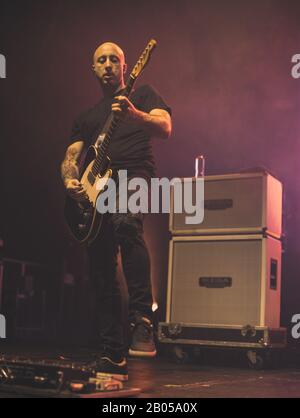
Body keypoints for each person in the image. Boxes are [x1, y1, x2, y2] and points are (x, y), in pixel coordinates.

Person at [61, 42, 172, 381]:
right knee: (99, 268)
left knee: (127, 223)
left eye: (114, 59)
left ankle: (142, 320)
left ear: (126, 66)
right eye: (101, 60)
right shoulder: (86, 117)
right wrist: (69, 180)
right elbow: (71, 157)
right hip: (96, 191)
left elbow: (166, 127)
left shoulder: (144, 94)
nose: (108, 64)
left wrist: (135, 115)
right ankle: (112, 353)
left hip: (133, 174)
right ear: (93, 68)